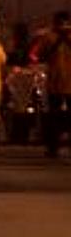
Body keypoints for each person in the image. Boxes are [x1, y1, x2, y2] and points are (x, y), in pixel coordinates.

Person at [35, 9, 71, 157]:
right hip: (68, 82)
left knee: (53, 116)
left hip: (55, 82)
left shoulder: (48, 37)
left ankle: (53, 148)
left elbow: (40, 55)